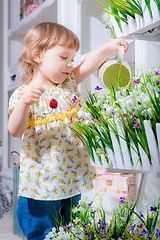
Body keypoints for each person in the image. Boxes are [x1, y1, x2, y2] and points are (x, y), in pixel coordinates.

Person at [8, 22, 129, 240]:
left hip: (71, 179)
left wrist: (108, 47)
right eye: (64, 57)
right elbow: (15, 131)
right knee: (41, 231)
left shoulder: (67, 85)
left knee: (70, 230)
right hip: (41, 184)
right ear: (38, 56)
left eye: (72, 59)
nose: (70, 64)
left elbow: (89, 64)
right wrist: (25, 104)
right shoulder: (23, 94)